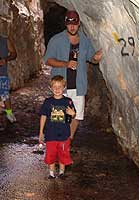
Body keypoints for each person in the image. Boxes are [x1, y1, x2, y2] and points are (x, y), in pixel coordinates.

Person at [43, 10, 103, 139]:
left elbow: (91, 58)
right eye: (70, 24)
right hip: (61, 86)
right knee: (59, 117)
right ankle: (58, 142)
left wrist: (96, 58)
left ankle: (67, 142)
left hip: (78, 85)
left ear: (79, 23)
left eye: (74, 24)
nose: (72, 27)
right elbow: (48, 59)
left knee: (77, 116)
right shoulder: (56, 40)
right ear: (66, 24)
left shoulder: (85, 41)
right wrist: (66, 64)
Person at [39, 75, 76, 179]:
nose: (57, 89)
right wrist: (41, 132)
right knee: (51, 154)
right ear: (50, 88)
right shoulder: (48, 102)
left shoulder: (67, 101)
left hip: (64, 134)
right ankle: (51, 173)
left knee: (63, 154)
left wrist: (72, 113)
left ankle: (61, 172)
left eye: (60, 87)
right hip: (51, 134)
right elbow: (43, 116)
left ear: (64, 87)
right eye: (54, 87)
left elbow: (73, 115)